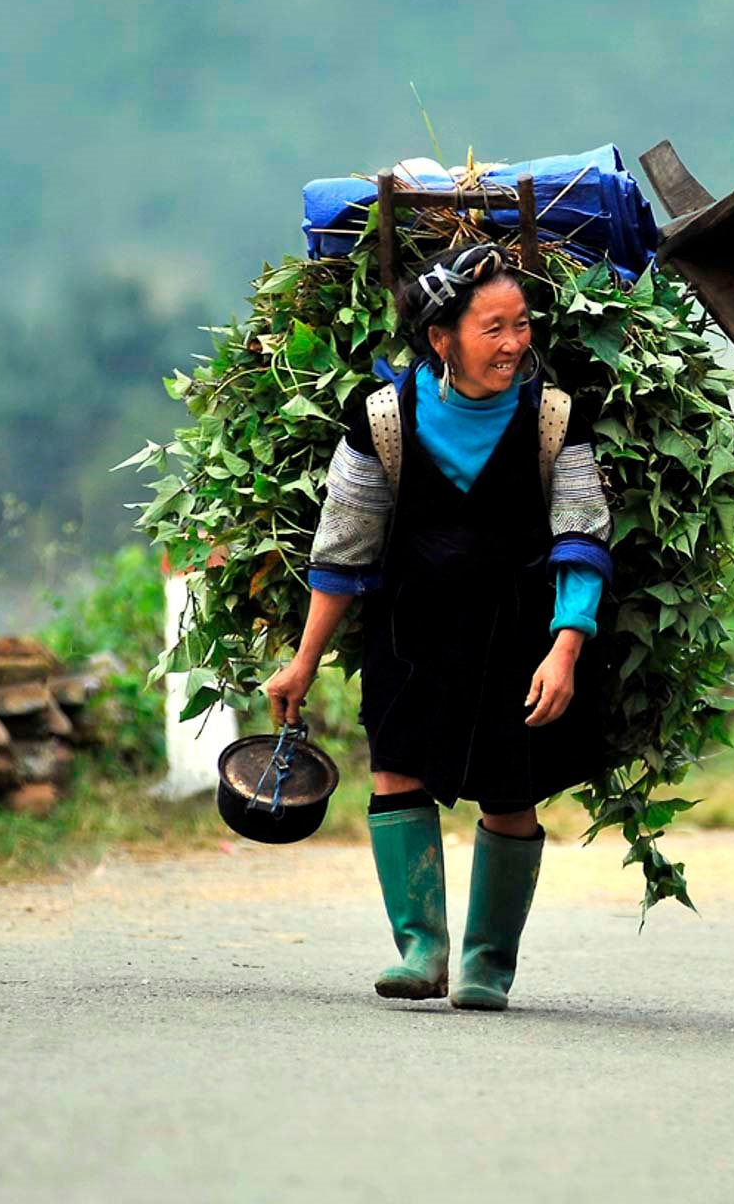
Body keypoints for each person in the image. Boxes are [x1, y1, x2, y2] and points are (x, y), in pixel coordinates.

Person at [263, 241, 614, 1012]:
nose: (515, 343)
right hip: (407, 630)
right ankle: (422, 949)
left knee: (509, 792)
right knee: (396, 769)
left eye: (521, 325)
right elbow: (343, 548)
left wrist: (565, 648)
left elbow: (582, 535)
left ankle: (488, 962)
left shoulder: (555, 418)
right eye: (493, 329)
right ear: (440, 339)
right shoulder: (384, 419)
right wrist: (304, 661)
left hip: (517, 634)